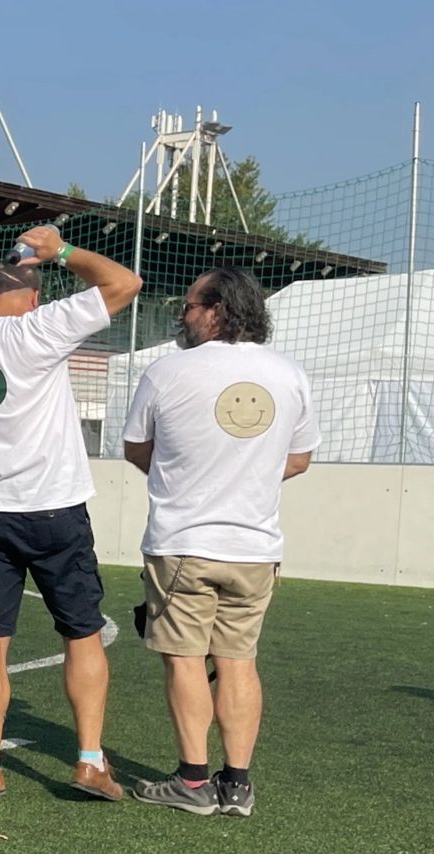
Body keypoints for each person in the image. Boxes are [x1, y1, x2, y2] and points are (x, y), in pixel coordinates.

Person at [0, 224, 141, 800]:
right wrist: (60, 251)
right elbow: (125, 282)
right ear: (35, 298)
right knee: (83, 632)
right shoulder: (41, 329)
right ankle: (90, 761)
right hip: (54, 509)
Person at [122, 267, 317, 817]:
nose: (182, 317)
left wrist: (193, 474)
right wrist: (245, 476)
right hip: (256, 547)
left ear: (216, 310)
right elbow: (299, 460)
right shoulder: (289, 373)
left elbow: (137, 448)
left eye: (188, 307)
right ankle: (237, 784)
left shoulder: (167, 372)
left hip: (184, 541)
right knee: (239, 662)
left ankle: (191, 783)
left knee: (184, 659)